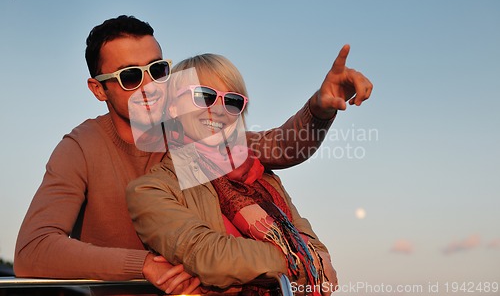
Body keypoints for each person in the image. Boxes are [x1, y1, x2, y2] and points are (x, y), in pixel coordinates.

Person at [14, 15, 372, 293]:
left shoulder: (193, 129)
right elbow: (34, 250)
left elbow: (280, 146)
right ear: (98, 89)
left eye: (157, 70)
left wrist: (321, 108)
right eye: (129, 77)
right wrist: (142, 266)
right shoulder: (81, 147)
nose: (150, 86)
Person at [126, 54, 337, 296]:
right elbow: (210, 257)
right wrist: (301, 258)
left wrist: (298, 260)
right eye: (204, 96)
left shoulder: (261, 176)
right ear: (172, 107)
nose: (218, 110)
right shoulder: (151, 189)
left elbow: (322, 261)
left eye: (233, 101)